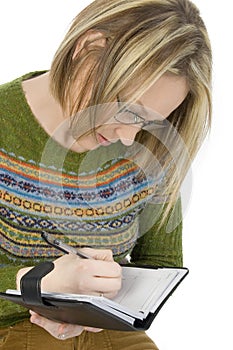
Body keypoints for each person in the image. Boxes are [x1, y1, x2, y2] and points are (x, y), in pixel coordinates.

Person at [0, 0, 212, 349]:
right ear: (88, 48)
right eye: (126, 110)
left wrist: (96, 301)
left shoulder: (150, 148)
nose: (130, 137)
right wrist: (38, 283)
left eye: (147, 121)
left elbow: (160, 263)